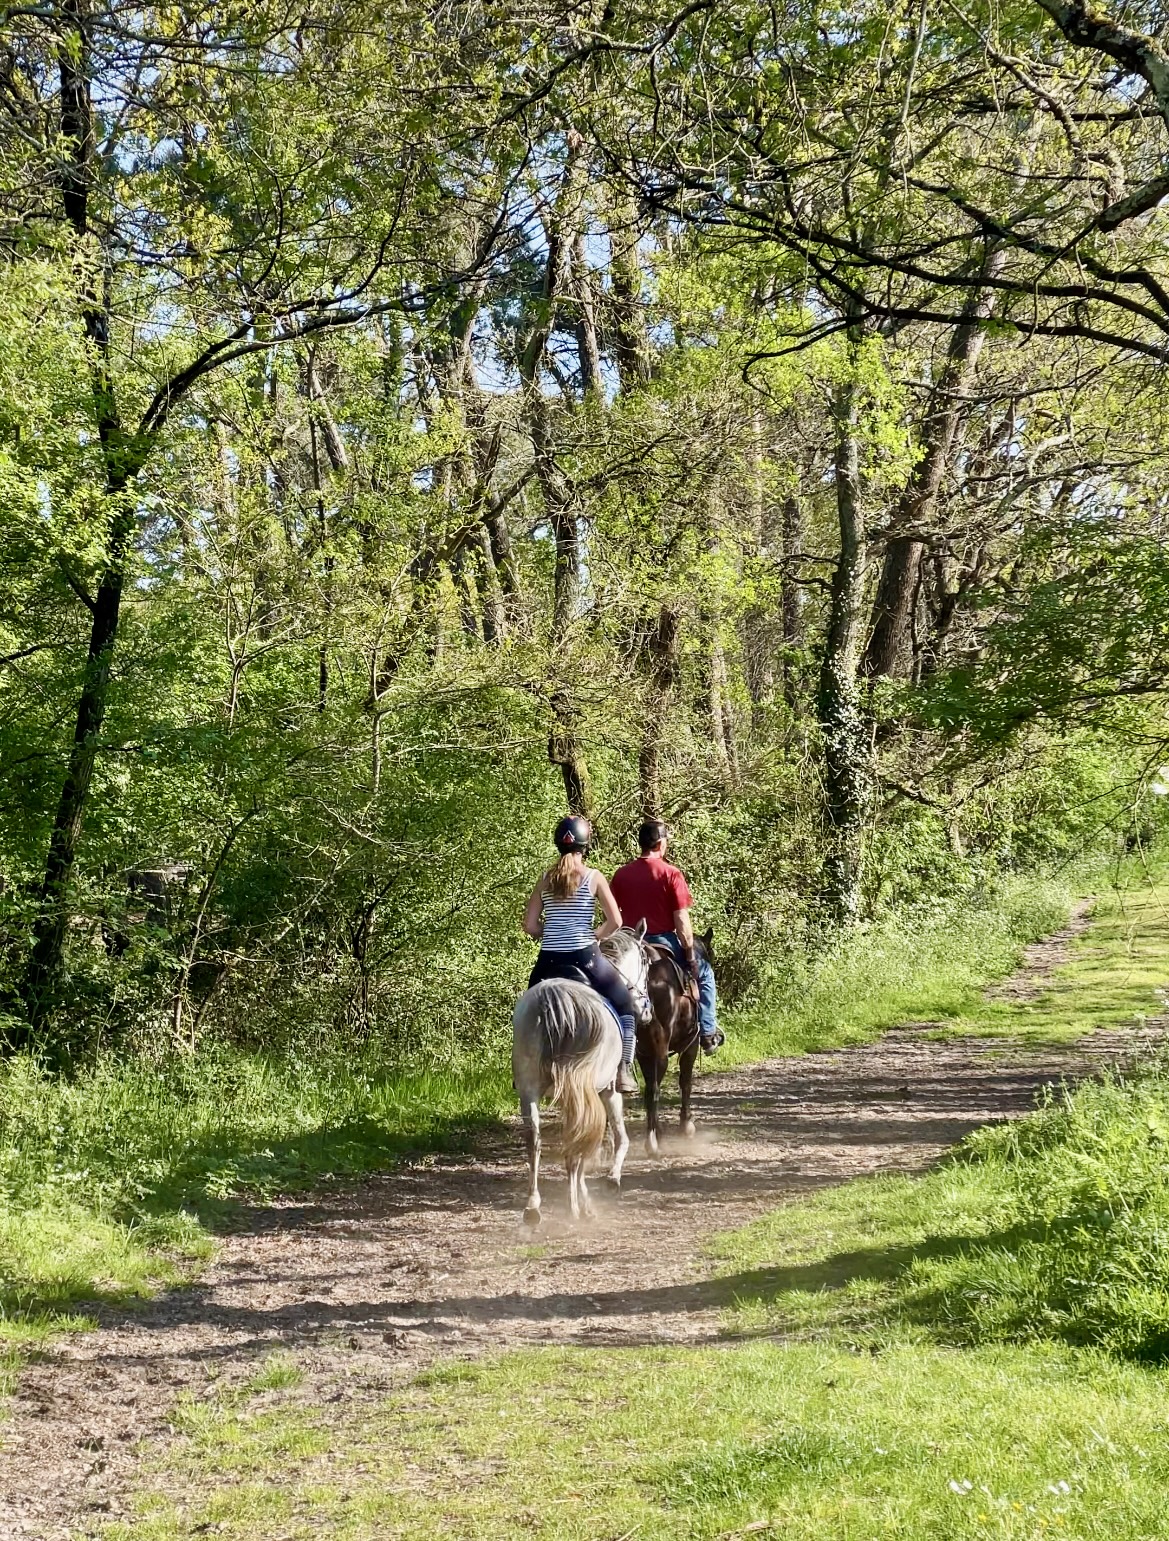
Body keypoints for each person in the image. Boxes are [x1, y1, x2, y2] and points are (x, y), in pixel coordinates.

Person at [522, 815, 639, 1095]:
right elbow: (616, 922)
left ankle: (526, 1071)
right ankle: (623, 1069)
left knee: (528, 1013)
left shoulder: (545, 878)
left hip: (548, 959)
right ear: (585, 846)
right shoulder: (593, 877)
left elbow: (529, 925)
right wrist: (596, 935)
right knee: (626, 1004)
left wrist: (545, 933)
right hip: (584, 956)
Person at [610, 819, 722, 1053]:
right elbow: (681, 921)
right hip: (662, 940)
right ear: (660, 844)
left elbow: (611, 917)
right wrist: (690, 954)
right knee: (706, 974)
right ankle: (709, 1033)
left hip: (629, 945)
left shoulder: (621, 875)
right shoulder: (671, 874)